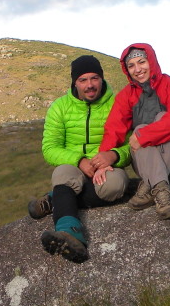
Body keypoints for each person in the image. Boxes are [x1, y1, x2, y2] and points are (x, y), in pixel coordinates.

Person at [28, 54, 131, 263]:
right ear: (75, 82)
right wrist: (79, 160)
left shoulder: (118, 104)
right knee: (62, 174)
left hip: (106, 167)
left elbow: (134, 144)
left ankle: (55, 200)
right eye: (83, 80)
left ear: (102, 79)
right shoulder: (60, 107)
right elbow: (50, 148)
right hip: (73, 166)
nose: (89, 85)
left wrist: (114, 155)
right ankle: (70, 232)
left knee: (115, 185)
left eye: (94, 78)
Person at [91, 43, 170, 219]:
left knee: (157, 120)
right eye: (131, 65)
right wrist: (103, 160)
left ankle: (149, 186)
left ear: (151, 62)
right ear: (127, 70)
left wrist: (143, 136)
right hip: (147, 165)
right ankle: (161, 192)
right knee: (140, 129)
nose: (138, 69)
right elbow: (114, 128)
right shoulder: (126, 95)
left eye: (142, 62)